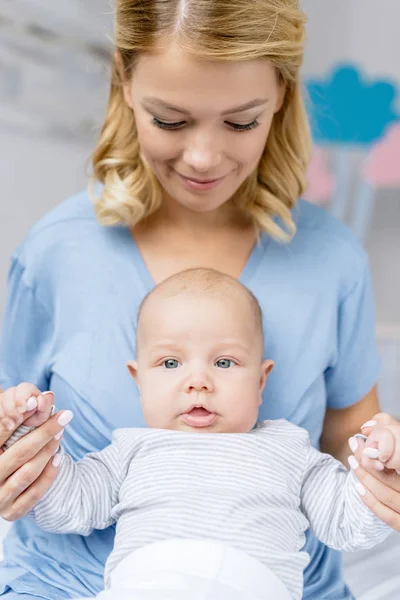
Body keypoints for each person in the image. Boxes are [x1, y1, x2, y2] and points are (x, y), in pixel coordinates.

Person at [0, 1, 399, 598]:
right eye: (170, 120)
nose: (204, 158)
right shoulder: (57, 254)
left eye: (241, 122)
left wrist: (380, 463)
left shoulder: (332, 259)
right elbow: (17, 426)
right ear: (125, 83)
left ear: (282, 98)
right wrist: (15, 455)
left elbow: (350, 434)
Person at [1, 268, 397, 600]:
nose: (198, 382)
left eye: (224, 361)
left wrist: (378, 469)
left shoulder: (289, 449)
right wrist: (25, 434)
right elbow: (68, 505)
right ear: (139, 381)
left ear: (261, 381)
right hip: (146, 585)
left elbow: (346, 524)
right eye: (170, 362)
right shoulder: (131, 450)